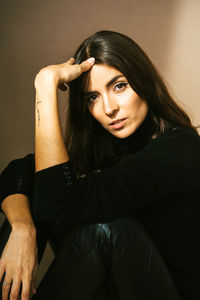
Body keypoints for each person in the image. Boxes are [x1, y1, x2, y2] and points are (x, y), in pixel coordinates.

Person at [0, 30, 200, 300]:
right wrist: (23, 227)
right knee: (34, 197)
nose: (108, 108)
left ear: (144, 83)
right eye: (92, 97)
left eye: (119, 86)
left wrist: (45, 87)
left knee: (105, 231)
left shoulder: (180, 148)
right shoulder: (104, 148)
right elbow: (19, 171)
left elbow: (57, 200)